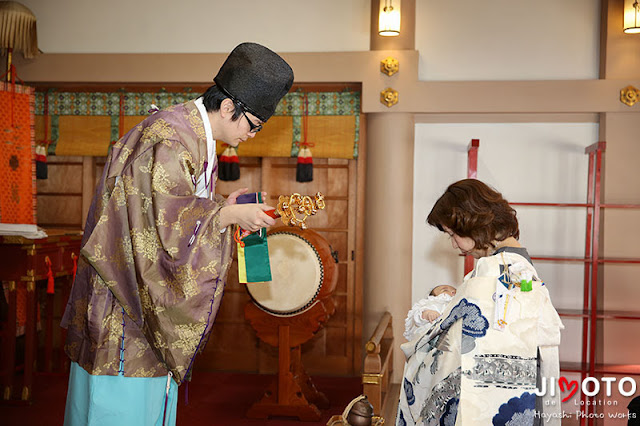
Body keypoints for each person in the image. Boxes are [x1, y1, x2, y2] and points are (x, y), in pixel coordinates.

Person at [61, 42, 294, 426]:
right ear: (227, 107)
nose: (253, 135)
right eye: (253, 125)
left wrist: (223, 204)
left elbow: (172, 204)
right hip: (128, 304)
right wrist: (229, 213)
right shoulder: (169, 138)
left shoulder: (191, 135)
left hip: (138, 297)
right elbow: (163, 227)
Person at [396, 179, 564, 426]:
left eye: (454, 234)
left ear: (473, 223)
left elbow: (453, 347)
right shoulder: (518, 264)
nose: (454, 244)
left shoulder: (493, 270)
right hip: (526, 390)